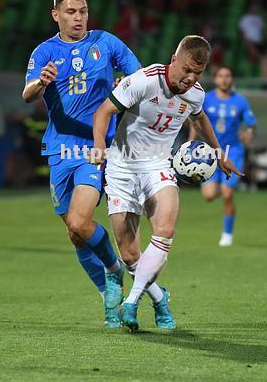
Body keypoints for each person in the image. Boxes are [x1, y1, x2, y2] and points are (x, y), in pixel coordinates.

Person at [91, 36, 242, 331]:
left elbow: (200, 121)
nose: (190, 78)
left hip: (158, 165)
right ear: (174, 59)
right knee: (130, 255)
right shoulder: (143, 81)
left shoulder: (196, 94)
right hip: (121, 169)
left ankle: (132, 301)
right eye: (186, 70)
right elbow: (104, 112)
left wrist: (218, 153)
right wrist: (99, 145)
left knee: (165, 230)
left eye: (197, 73)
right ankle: (159, 298)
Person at [22, 0, 141, 328]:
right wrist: (40, 83)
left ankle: (115, 272)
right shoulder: (44, 52)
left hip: (94, 147)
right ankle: (108, 293)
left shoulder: (105, 42)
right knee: (76, 233)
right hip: (59, 149)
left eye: (83, 11)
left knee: (79, 221)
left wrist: (124, 84)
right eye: (71, 12)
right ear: (56, 15)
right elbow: (27, 93)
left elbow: (138, 75)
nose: (78, 18)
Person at [191, 66, 256, 247]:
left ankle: (227, 234)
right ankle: (223, 185)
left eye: (228, 76)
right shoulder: (206, 98)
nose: (224, 79)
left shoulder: (240, 101)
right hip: (209, 152)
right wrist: (191, 143)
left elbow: (251, 125)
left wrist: (249, 133)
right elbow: (195, 122)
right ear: (215, 79)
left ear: (232, 79)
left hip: (233, 151)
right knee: (209, 196)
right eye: (221, 76)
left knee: (227, 194)